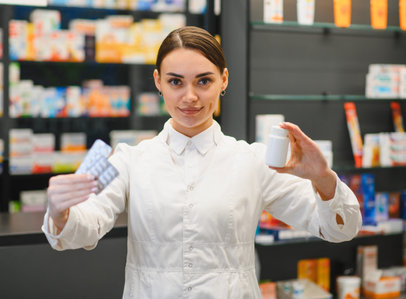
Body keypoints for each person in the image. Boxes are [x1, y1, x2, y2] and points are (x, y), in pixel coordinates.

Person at [42, 26, 362, 298]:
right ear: (158, 82)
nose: (190, 97)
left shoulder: (253, 161)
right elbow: (83, 229)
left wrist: (323, 179)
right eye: (176, 81)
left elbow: (339, 230)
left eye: (203, 81)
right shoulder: (131, 160)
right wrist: (61, 213)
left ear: (224, 80)